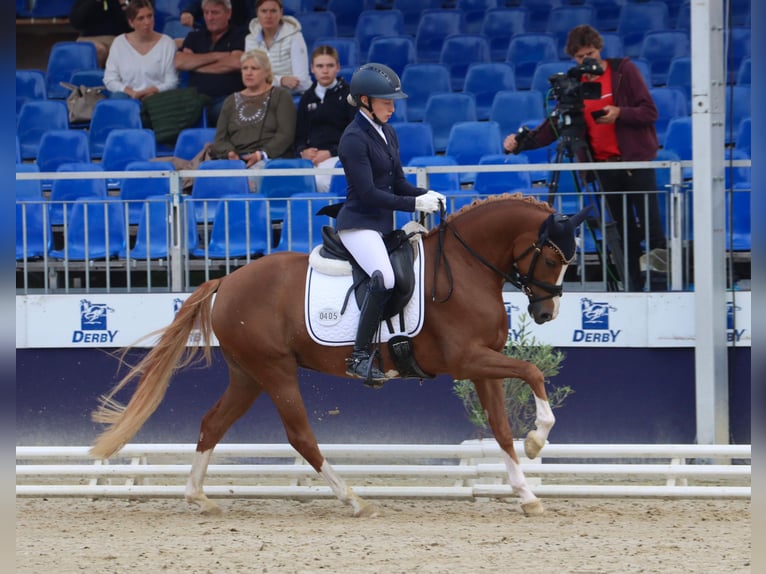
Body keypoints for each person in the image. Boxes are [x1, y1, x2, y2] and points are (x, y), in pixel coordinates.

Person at [502, 25, 666, 292]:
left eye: (590, 53)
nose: (586, 60)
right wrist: (518, 144)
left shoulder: (623, 71)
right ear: (573, 58)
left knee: (652, 230)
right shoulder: (575, 82)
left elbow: (649, 111)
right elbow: (554, 126)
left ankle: (661, 289)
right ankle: (633, 289)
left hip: (635, 164)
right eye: (580, 57)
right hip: (603, 169)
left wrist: (620, 112)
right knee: (625, 235)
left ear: (599, 49)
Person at [336, 63, 445, 384]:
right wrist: (414, 204)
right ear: (365, 100)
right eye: (386, 102)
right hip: (358, 224)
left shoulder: (388, 132)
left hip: (381, 224)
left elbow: (398, 183)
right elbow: (369, 194)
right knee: (383, 279)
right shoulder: (353, 139)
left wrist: (425, 194)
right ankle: (357, 356)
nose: (392, 108)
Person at [208, 49, 297, 169]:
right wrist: (230, 153)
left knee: (247, 181)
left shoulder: (280, 96)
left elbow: (286, 134)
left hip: (270, 160)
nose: (248, 73)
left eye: (254, 68)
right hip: (235, 161)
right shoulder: (231, 101)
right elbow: (220, 139)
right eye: (245, 68)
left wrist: (261, 154)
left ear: (267, 72)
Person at [294, 45, 357, 193]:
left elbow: (355, 134)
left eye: (330, 65)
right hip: (310, 158)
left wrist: (330, 152)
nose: (325, 70)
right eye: (320, 66)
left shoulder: (350, 95)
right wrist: (303, 151)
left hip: (339, 157)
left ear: (338, 67)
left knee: (320, 182)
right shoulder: (307, 97)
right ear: (312, 68)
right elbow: (299, 135)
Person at [175, 0, 247, 126]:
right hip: (195, 100)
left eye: (215, 13)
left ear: (228, 13)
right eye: (206, 13)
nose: (209, 18)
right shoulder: (194, 37)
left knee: (232, 109)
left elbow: (236, 62)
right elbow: (181, 62)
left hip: (226, 99)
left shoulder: (240, 34)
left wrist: (196, 64)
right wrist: (220, 56)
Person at [103, 0, 178, 100]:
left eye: (149, 16)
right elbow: (110, 79)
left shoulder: (167, 43)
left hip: (157, 97)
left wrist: (149, 92)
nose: (147, 22)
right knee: (118, 99)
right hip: (128, 97)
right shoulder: (119, 43)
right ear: (131, 22)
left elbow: (172, 81)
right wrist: (132, 93)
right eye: (141, 18)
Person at [245, 0, 311, 96]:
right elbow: (252, 79)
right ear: (257, 13)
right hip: (262, 96)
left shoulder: (295, 37)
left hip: (292, 95)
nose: (268, 16)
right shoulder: (250, 39)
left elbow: (302, 82)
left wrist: (265, 81)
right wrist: (281, 80)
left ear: (281, 12)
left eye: (273, 11)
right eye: (263, 11)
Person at [69, 0, 132, 68]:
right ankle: (92, 77)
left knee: (127, 51)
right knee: (98, 50)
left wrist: (123, 4)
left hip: (117, 40)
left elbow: (131, 27)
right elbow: (76, 23)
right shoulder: (84, 2)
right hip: (90, 39)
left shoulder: (123, 3)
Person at [179, 0, 251, 31]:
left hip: (239, 35)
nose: (209, 17)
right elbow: (199, 3)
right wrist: (188, 12)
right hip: (209, 35)